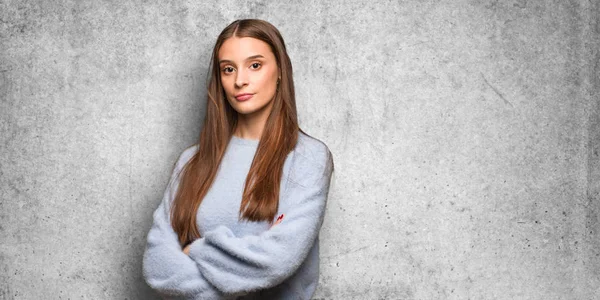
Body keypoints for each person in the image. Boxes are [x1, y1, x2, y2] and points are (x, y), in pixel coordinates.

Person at [142, 18, 335, 300]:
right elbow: (157, 262)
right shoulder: (190, 161)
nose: (239, 80)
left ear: (280, 70)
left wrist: (195, 250)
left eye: (255, 65)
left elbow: (276, 261)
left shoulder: (308, 158)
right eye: (228, 69)